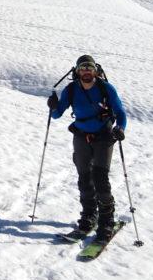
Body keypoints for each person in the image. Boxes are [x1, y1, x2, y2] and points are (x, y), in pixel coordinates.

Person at [47, 54, 127, 242]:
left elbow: (120, 112)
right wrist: (53, 106)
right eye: (82, 68)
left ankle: (106, 220)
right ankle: (89, 215)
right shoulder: (71, 90)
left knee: (100, 178)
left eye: (89, 68)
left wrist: (120, 128)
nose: (86, 71)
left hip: (104, 137)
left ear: (96, 71)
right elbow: (57, 115)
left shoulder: (105, 88)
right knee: (84, 178)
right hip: (81, 137)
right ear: (76, 71)